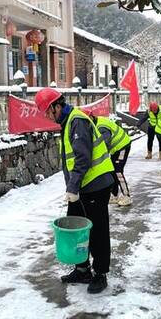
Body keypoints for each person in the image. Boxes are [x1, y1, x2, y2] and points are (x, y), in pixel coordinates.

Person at [35, 88, 115, 294]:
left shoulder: (77, 121)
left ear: (56, 106)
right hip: (83, 186)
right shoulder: (68, 121)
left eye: (47, 111)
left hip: (96, 184)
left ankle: (100, 273)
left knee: (97, 230)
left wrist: (72, 187)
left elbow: (83, 159)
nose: (46, 116)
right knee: (75, 226)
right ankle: (82, 269)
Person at [92, 114, 132, 206]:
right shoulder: (97, 122)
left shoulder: (101, 127)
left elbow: (104, 145)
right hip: (116, 149)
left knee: (118, 171)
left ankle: (127, 196)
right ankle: (114, 195)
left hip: (122, 146)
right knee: (112, 170)